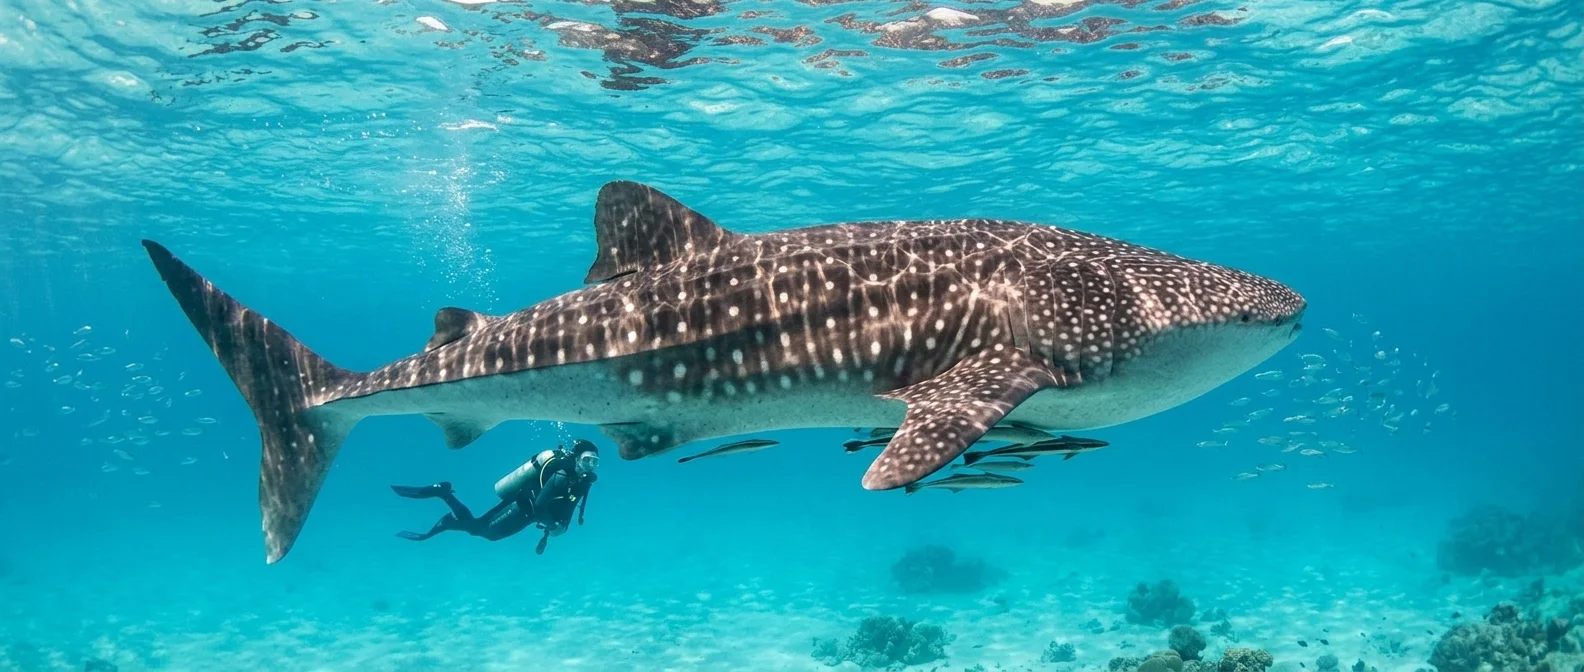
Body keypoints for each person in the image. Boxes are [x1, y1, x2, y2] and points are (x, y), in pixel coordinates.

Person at [391, 439, 599, 555]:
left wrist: (561, 526)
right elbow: (540, 506)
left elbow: (570, 507)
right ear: (577, 459)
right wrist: (553, 527)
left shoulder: (584, 482)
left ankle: (446, 503)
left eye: (594, 462)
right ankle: (444, 495)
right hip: (521, 508)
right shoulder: (562, 477)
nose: (590, 466)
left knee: (481, 530)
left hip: (528, 515)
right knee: (481, 531)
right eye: (587, 460)